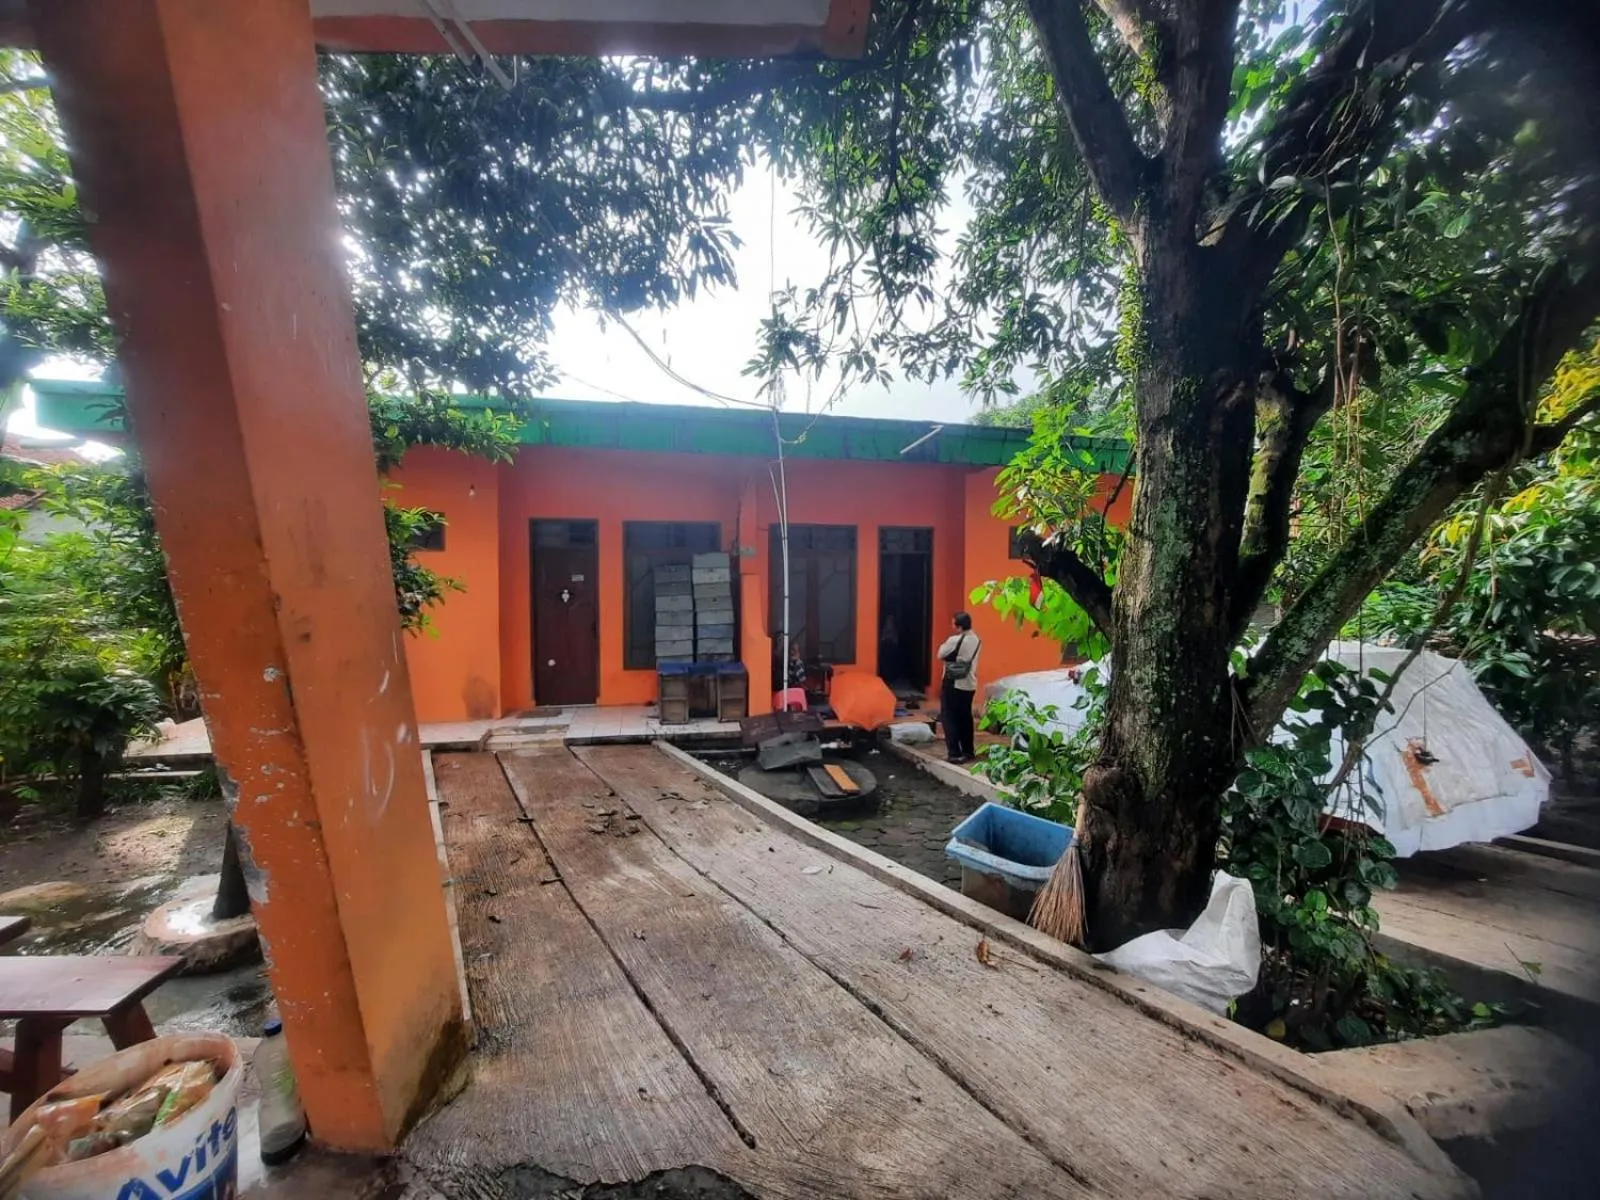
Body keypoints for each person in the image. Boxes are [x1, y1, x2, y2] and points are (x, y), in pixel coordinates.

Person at [937, 611, 980, 763]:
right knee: (965, 718)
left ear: (959, 626)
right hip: (969, 684)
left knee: (948, 717)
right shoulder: (976, 640)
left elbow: (940, 654)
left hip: (953, 683)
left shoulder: (954, 640)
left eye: (953, 623)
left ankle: (954, 753)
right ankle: (968, 751)